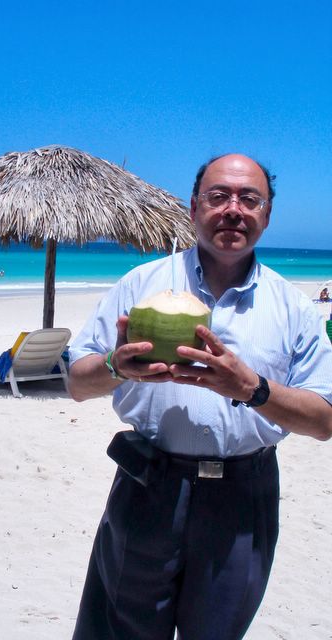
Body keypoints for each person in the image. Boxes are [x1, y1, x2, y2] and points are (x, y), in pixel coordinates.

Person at [67, 153, 332, 640]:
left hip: (243, 495)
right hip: (148, 484)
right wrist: (115, 367)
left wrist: (252, 389)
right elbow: (77, 383)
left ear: (267, 215)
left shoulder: (293, 307)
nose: (234, 209)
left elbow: (324, 421)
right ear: (193, 208)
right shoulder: (141, 286)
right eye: (218, 196)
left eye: (250, 199)